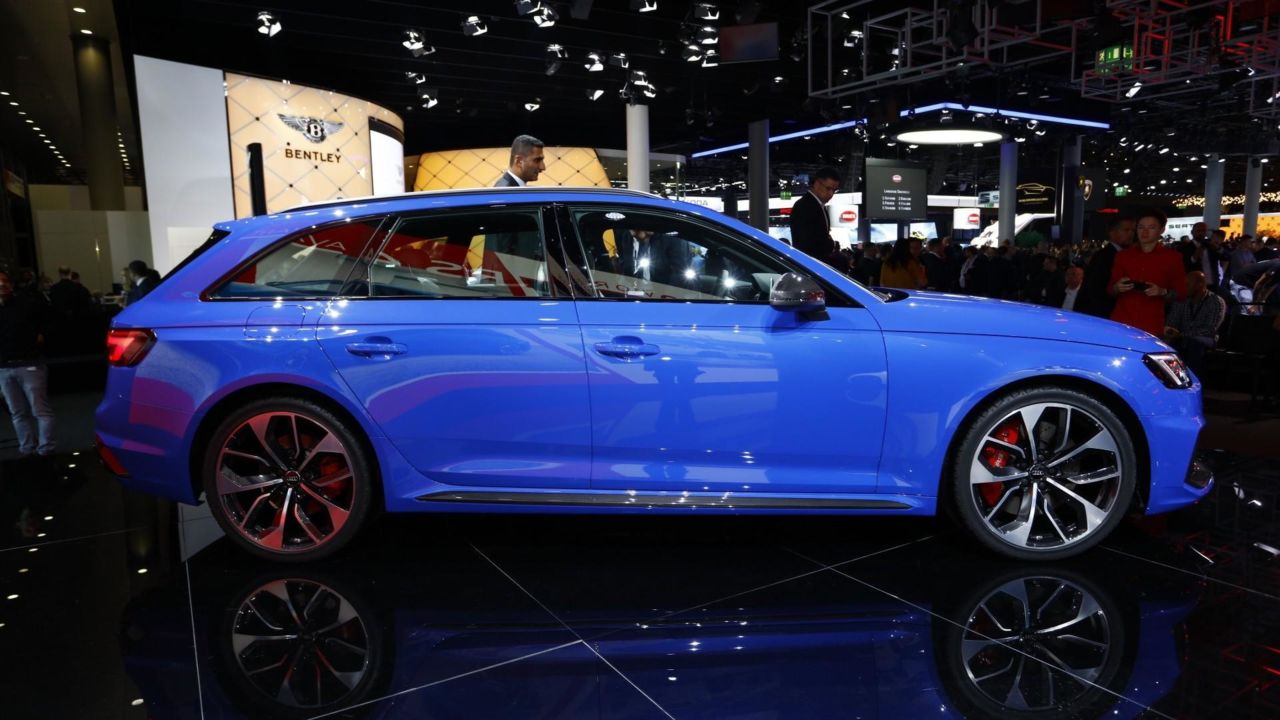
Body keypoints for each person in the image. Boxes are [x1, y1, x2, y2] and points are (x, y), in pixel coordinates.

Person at [0, 271, 55, 457]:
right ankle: (27, 448)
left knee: (40, 410)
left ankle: (45, 449)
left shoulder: (26, 304)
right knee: (17, 412)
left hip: (29, 363)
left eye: (5, 281)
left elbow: (49, 320)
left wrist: (40, 337)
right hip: (4, 367)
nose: (2, 284)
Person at [1109, 210, 1187, 337]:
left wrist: (1162, 291)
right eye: (1141, 227)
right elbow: (1110, 290)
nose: (1144, 232)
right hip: (1121, 320)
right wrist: (1117, 288)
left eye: (1151, 228)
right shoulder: (1123, 256)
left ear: (1161, 230)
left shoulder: (1173, 258)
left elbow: (1182, 293)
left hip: (1151, 323)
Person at [1163, 270, 1226, 375]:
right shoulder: (1182, 300)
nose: (1184, 287)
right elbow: (1172, 321)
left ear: (1199, 285)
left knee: (1194, 343)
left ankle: (1192, 378)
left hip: (1206, 338)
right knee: (1167, 342)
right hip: (1182, 336)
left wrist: (1182, 335)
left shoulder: (1215, 301)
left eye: (1188, 285)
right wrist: (1170, 330)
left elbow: (1209, 329)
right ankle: (1171, 376)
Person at [1078, 216, 1134, 318]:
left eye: (1132, 230)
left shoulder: (1116, 254)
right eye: (1126, 230)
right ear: (1112, 232)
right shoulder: (1105, 256)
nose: (1130, 234)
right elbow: (1095, 288)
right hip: (1102, 314)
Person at [789, 167, 842, 266]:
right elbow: (807, 243)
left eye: (834, 190)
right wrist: (831, 244)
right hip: (809, 265)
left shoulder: (819, 206)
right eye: (828, 188)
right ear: (817, 184)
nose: (831, 194)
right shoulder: (804, 206)